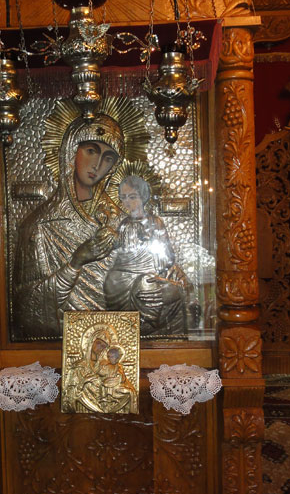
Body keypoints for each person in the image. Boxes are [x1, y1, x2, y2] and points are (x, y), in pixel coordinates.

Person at [13, 114, 124, 339]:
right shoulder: (39, 226)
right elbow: (26, 309)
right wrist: (76, 262)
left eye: (108, 158)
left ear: (113, 168)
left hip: (114, 339)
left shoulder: (120, 222)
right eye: (91, 151)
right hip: (58, 344)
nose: (97, 165)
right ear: (71, 151)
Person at [103, 176, 193, 336]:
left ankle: (151, 323)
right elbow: (118, 249)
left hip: (150, 271)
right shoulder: (124, 224)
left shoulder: (155, 222)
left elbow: (165, 253)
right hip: (122, 274)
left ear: (143, 197)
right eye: (123, 198)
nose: (127, 202)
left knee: (149, 284)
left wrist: (161, 263)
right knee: (113, 280)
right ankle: (127, 329)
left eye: (132, 197)